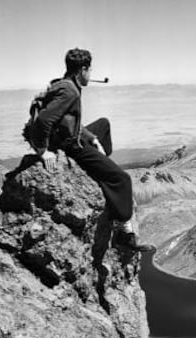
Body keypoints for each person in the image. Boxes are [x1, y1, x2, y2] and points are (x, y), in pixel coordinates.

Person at [30, 48, 152, 252]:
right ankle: (124, 234)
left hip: (73, 137)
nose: (91, 74)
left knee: (103, 125)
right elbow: (43, 120)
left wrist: (93, 138)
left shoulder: (63, 84)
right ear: (83, 70)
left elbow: (68, 121)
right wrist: (43, 151)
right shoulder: (70, 91)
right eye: (90, 70)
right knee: (122, 179)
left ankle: (102, 167)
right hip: (70, 146)